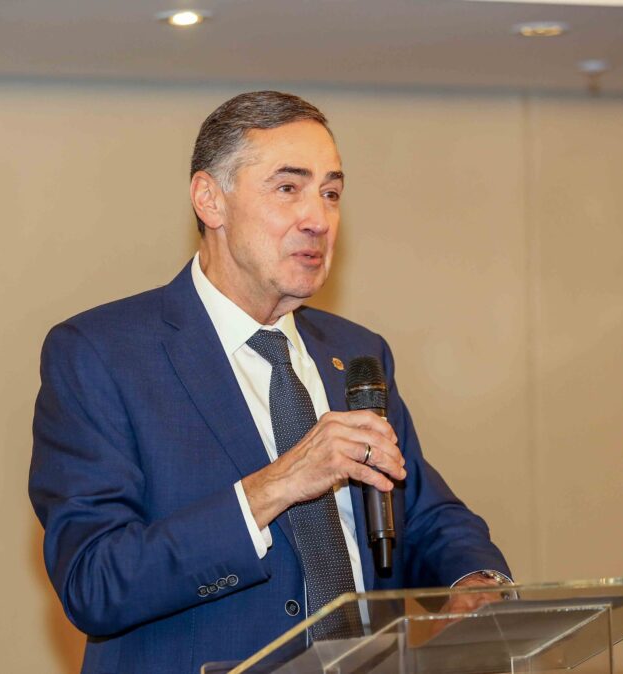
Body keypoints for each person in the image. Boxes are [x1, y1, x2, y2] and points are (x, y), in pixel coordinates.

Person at [29, 91, 511, 674]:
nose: (318, 219)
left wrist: (476, 582)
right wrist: (278, 484)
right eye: (288, 188)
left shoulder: (356, 353)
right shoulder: (103, 354)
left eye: (331, 193)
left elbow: (426, 516)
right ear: (210, 199)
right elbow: (95, 581)